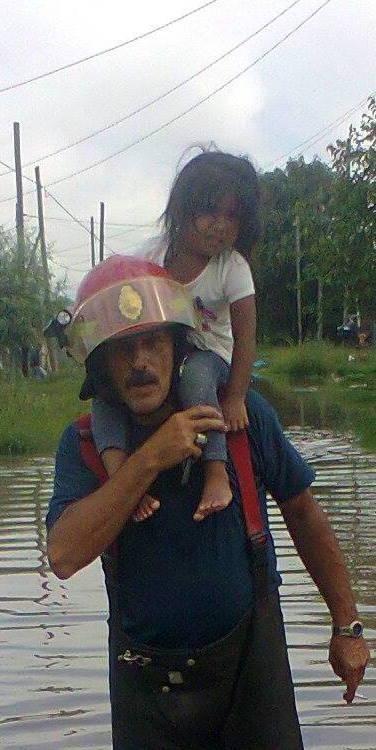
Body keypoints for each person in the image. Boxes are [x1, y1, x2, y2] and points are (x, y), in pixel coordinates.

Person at [46, 256, 370, 750]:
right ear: (100, 369)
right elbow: (65, 554)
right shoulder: (82, 448)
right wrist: (151, 459)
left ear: (177, 348)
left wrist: (348, 626)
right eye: (121, 351)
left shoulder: (241, 418)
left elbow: (308, 517)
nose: (139, 363)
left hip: (250, 672)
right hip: (147, 692)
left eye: (151, 344)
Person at [89, 150, 260, 524]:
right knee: (103, 398)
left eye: (232, 216)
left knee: (197, 377)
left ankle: (216, 471)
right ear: (184, 210)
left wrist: (235, 396)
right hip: (160, 352)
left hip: (210, 352)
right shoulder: (152, 256)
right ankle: (122, 481)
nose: (220, 225)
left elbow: (246, 336)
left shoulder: (231, 267)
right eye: (210, 212)